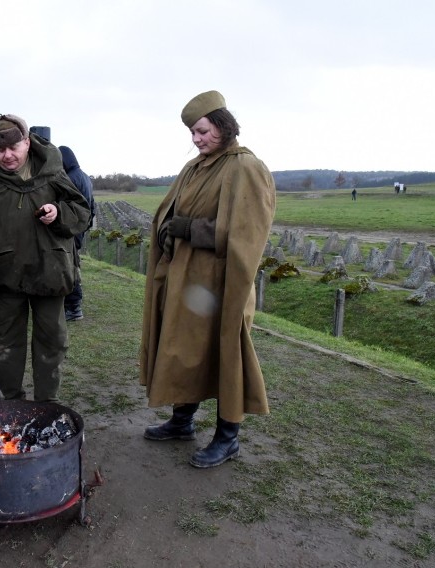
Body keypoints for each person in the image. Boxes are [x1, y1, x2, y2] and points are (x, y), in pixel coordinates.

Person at [139, 90, 276, 469]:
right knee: (184, 349)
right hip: (186, 283)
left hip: (220, 286)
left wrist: (189, 229)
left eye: (202, 131)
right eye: (192, 134)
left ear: (222, 124)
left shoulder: (245, 167)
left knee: (224, 354)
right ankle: (182, 422)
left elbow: (248, 233)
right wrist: (168, 229)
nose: (197, 140)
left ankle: (227, 438)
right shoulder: (195, 167)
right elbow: (171, 212)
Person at [0, 114, 90, 401]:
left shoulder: (53, 171)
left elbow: (81, 213)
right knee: (5, 343)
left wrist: (58, 213)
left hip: (50, 271)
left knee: (51, 341)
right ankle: (13, 402)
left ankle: (47, 403)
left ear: (27, 143)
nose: (6, 156)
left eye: (13, 148)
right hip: (4, 275)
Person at [58, 145, 96, 322]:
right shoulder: (85, 177)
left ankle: (74, 308)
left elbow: (68, 206)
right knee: (72, 265)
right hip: (79, 229)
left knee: (70, 267)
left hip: (71, 230)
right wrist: (84, 228)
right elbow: (92, 208)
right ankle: (71, 306)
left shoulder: (70, 178)